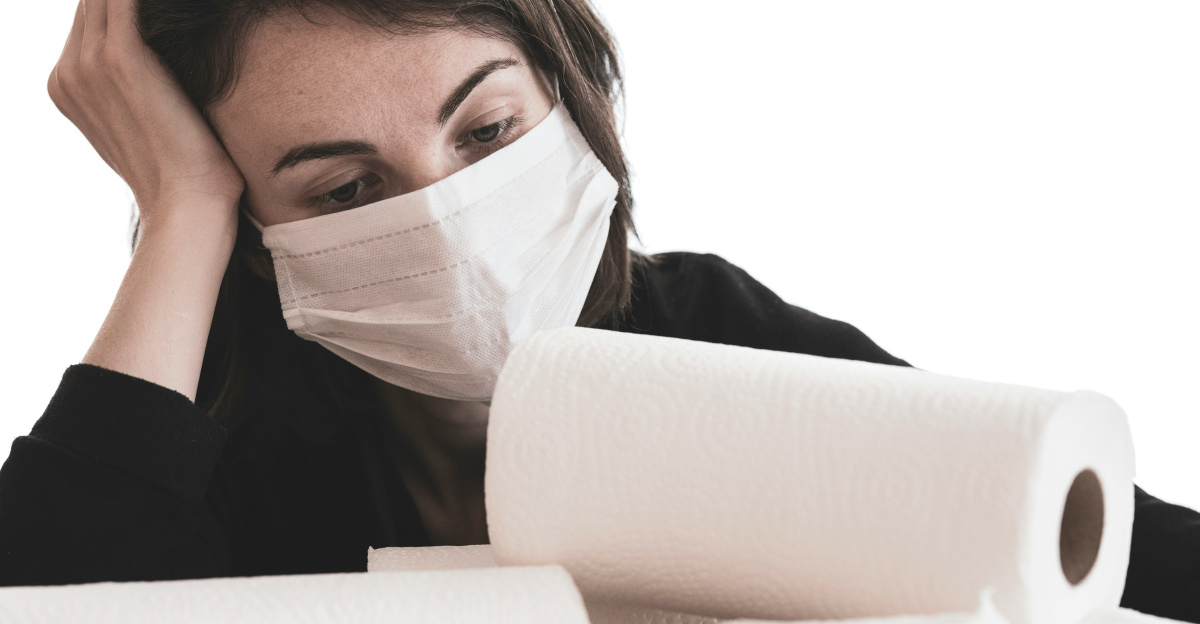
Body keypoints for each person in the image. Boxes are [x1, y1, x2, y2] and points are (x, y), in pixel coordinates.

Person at [0, 0, 1197, 619]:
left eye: (488, 131)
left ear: (570, 106)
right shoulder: (216, 459)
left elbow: (1122, 551)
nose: (449, 224)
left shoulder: (712, 340)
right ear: (262, 246)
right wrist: (185, 210)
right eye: (349, 189)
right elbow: (53, 604)